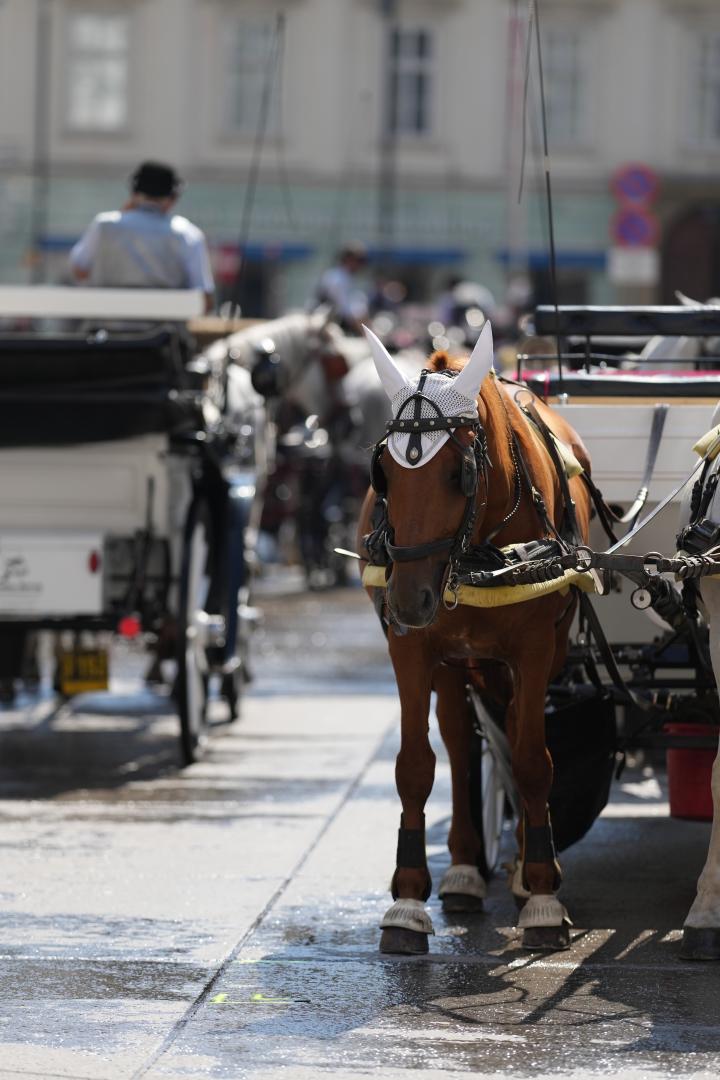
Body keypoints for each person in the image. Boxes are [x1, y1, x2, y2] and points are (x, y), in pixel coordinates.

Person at [69, 160, 215, 313]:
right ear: (172, 197)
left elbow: (79, 270)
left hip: (107, 323)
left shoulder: (105, 225)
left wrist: (123, 212)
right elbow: (204, 298)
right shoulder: (187, 234)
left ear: (134, 193)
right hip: (166, 325)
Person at [310, 244, 369, 333]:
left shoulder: (346, 277)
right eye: (359, 261)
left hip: (335, 322)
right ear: (349, 259)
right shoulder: (336, 278)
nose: (360, 266)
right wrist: (363, 331)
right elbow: (344, 310)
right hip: (323, 325)